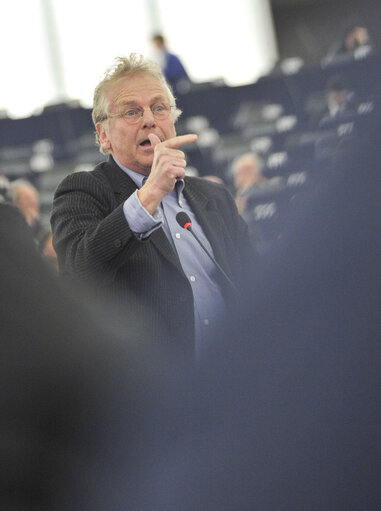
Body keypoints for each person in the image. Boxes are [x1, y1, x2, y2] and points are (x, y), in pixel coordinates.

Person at [51, 53, 253, 360]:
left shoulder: (214, 197)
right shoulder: (82, 191)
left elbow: (253, 277)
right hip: (153, 391)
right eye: (131, 112)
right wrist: (148, 196)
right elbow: (79, 272)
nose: (149, 119)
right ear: (103, 135)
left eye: (159, 108)